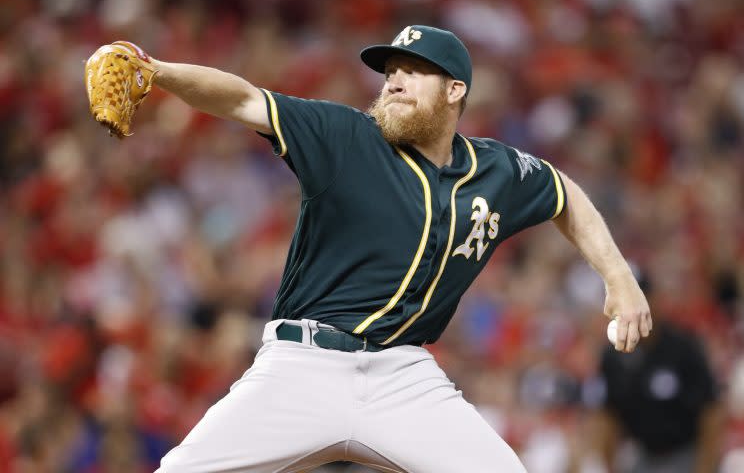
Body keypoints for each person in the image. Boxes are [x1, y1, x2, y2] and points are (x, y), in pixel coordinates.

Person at [110, 25, 652, 472]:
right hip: (304, 364)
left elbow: (565, 196)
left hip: (403, 376)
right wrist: (156, 72)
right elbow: (245, 98)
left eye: (412, 72)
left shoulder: (496, 170)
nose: (393, 82)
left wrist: (619, 278)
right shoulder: (346, 137)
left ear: (455, 90)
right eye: (389, 72)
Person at [593, 273, 722, 473]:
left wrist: (704, 467)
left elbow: (711, 411)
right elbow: (607, 415)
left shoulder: (683, 347)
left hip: (686, 454)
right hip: (642, 455)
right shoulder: (612, 356)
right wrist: (610, 465)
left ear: (652, 300)